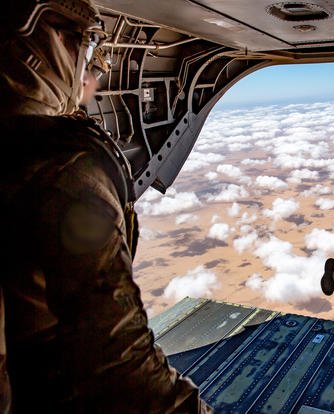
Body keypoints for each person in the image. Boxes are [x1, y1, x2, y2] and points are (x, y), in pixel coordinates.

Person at [0, 1, 210, 412]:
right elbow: (117, 359)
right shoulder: (64, 170)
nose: (89, 73)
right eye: (78, 43)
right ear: (41, 43)